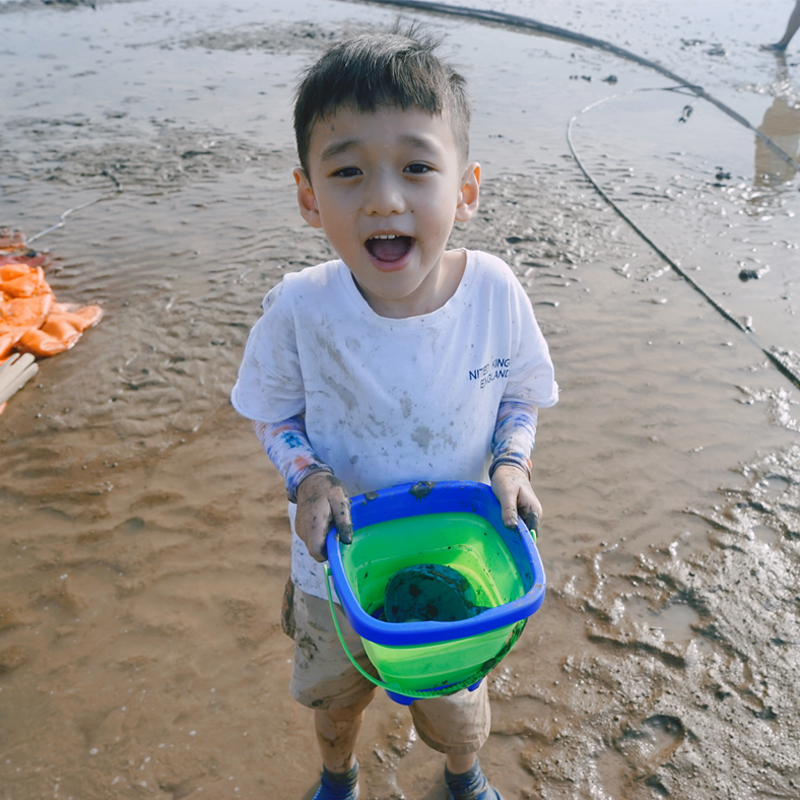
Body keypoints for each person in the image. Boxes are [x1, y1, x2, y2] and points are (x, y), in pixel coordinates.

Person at [231, 26, 558, 800]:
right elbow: (273, 416)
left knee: (455, 706)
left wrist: (511, 463)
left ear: (466, 190)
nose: (384, 198)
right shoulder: (299, 310)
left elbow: (520, 394)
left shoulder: (495, 293)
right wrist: (308, 478)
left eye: (417, 167)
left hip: (457, 559)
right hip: (332, 567)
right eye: (347, 172)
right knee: (334, 698)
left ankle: (460, 773)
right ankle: (338, 777)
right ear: (309, 197)